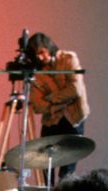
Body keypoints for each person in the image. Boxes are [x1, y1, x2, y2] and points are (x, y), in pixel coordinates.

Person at [26, 33, 90, 180]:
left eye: (42, 52)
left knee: (67, 172)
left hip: (72, 118)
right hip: (52, 120)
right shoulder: (38, 71)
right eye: (37, 55)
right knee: (45, 169)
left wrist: (52, 98)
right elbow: (37, 105)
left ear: (49, 46)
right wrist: (63, 100)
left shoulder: (68, 59)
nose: (41, 57)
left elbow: (76, 89)